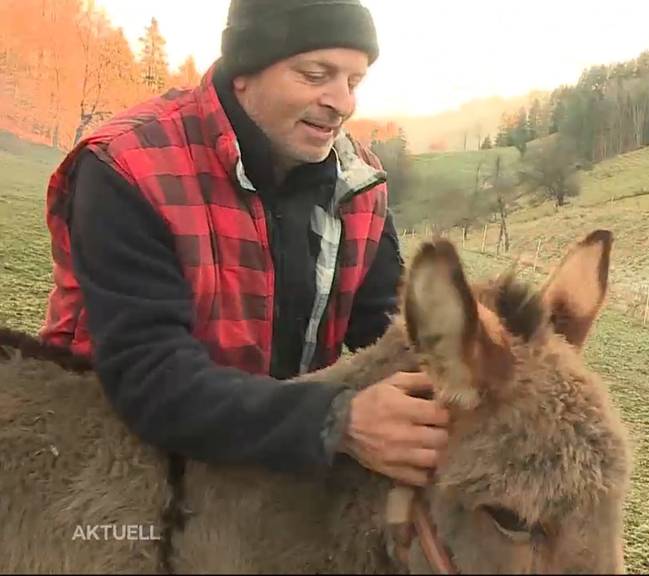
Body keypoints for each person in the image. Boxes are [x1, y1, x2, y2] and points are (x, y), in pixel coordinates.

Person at [38, 0, 448, 487]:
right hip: (108, 466)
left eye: (354, 81)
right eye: (316, 75)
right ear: (244, 73)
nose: (343, 102)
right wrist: (336, 421)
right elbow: (148, 374)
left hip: (271, 463)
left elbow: (388, 335)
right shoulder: (128, 169)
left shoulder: (360, 184)